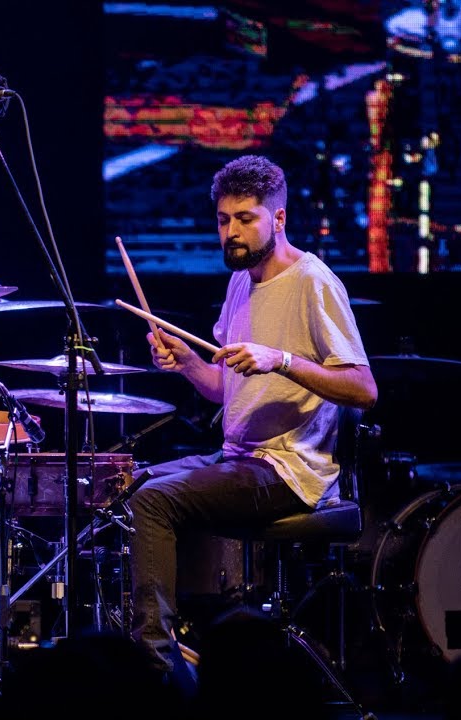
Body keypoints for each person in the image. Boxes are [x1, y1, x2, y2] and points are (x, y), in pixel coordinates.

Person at [127, 155, 377, 690]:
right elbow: (226, 388)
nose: (232, 231)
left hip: (289, 470)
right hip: (241, 458)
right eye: (224, 219)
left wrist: (281, 359)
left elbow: (364, 388)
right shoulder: (241, 280)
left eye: (246, 218)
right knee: (135, 482)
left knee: (153, 501)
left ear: (279, 218)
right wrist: (187, 363)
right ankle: (185, 635)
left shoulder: (313, 281)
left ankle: (153, 664)